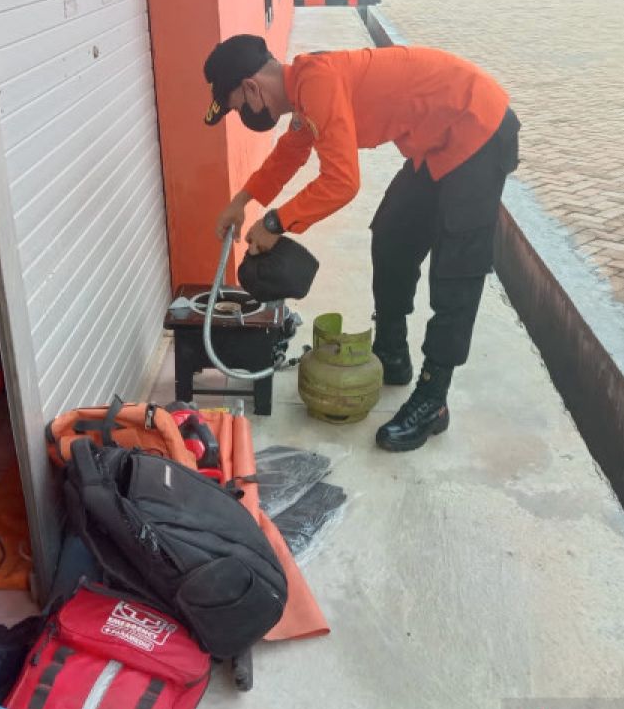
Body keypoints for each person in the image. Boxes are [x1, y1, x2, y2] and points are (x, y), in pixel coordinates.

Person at [203, 34, 520, 452]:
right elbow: (290, 153)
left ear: (251, 88)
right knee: (392, 235)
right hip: (436, 143)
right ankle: (392, 354)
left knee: (456, 271)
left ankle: (433, 398)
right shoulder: (304, 87)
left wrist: (277, 222)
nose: (244, 113)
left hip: (476, 127)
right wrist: (242, 201)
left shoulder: (316, 83)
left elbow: (342, 182)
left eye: (239, 106)